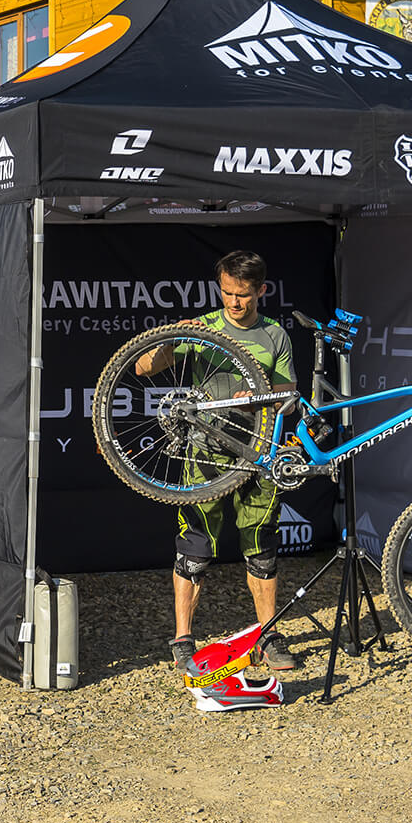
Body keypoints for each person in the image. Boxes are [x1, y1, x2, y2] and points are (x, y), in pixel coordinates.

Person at [135, 250, 298, 672]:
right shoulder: (204, 328)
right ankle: (183, 639)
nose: (233, 302)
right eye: (226, 292)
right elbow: (142, 367)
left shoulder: (275, 335)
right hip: (204, 452)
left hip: (258, 450)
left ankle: (268, 636)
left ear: (261, 290)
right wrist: (171, 339)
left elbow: (288, 396)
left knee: (260, 548)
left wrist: (260, 397)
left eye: (243, 295)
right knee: (195, 548)